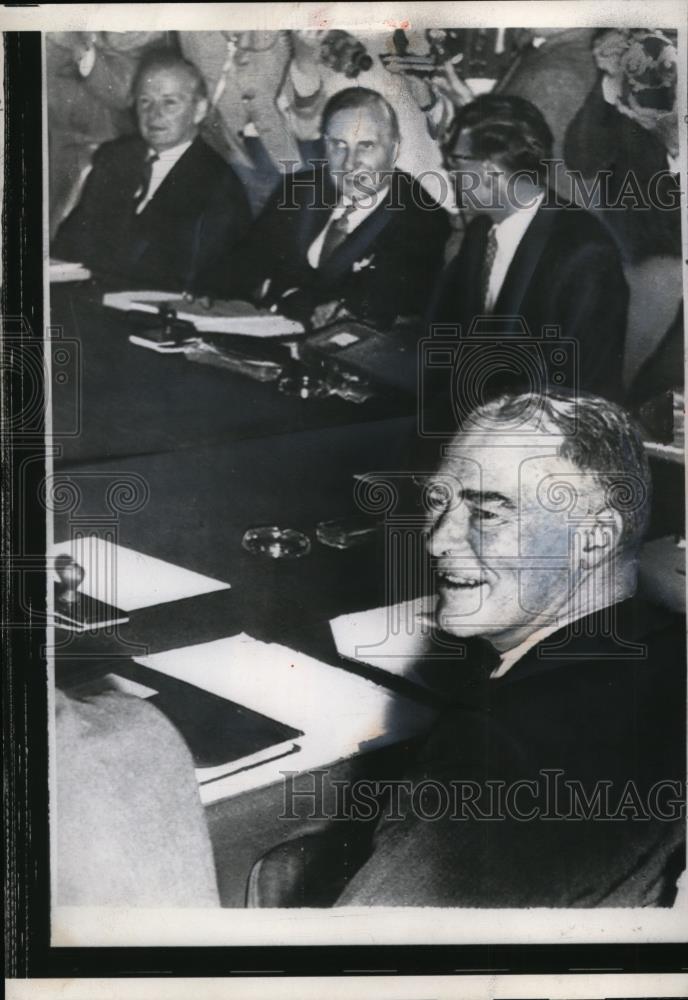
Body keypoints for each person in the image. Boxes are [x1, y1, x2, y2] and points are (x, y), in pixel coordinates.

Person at [251, 392, 685, 907]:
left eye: (488, 511)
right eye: (439, 502)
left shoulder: (491, 759)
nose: (437, 541)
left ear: (593, 538)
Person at [427, 95, 629, 403]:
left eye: (455, 163)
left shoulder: (586, 255)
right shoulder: (481, 232)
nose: (447, 172)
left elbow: (573, 390)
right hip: (472, 413)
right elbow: (444, 334)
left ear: (491, 171)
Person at [204, 87, 451, 331]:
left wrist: (291, 301)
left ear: (394, 149)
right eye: (339, 145)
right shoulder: (300, 189)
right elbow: (244, 261)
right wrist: (206, 296)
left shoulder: (423, 216)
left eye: (366, 146)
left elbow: (374, 303)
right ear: (325, 146)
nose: (350, 163)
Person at [52, 49, 251, 292]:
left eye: (169, 102)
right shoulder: (115, 158)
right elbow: (71, 240)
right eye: (145, 101)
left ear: (199, 110)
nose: (154, 114)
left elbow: (196, 282)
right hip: (86, 299)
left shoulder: (218, 186)